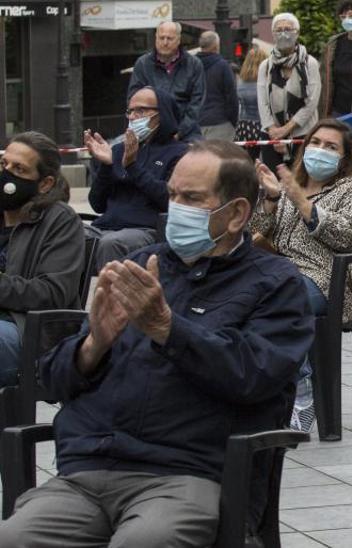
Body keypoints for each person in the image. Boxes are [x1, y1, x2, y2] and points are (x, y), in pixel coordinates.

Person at [0, 140, 314, 547]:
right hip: (89, 470)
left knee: (143, 542)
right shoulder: (142, 266)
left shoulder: (275, 283)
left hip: (186, 473)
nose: (176, 208)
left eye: (192, 198)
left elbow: (254, 375)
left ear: (236, 214)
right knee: (13, 538)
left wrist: (168, 329)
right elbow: (53, 381)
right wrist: (93, 345)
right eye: (171, 195)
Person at [252, 119, 352, 432]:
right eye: (316, 143)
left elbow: (348, 235)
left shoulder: (348, 190)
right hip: (280, 274)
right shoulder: (292, 185)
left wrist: (301, 202)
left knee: (280, 303)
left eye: (331, 147)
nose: (320, 150)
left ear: (344, 158)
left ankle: (303, 393)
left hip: (325, 278)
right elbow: (256, 236)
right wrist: (272, 199)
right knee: (245, 302)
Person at [0, 132, 85, 386]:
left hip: (31, 333)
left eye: (19, 169)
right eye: (5, 165)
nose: (7, 174)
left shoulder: (61, 220)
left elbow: (52, 292)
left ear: (45, 183)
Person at [83, 87, 189, 270]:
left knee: (111, 243)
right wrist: (107, 167)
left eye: (140, 110)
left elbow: (169, 200)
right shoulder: (117, 150)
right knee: (62, 232)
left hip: (144, 230)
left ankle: (108, 298)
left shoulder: (180, 153)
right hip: (106, 227)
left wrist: (132, 167)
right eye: (130, 111)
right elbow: (97, 204)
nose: (132, 117)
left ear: (161, 113)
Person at [258, 13, 322, 172]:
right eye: (278, 30)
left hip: (303, 132)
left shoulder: (310, 63)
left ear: (297, 33)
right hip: (271, 134)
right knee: (275, 185)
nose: (283, 33)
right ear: (273, 34)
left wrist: (286, 130)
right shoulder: (266, 66)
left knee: (303, 182)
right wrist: (273, 130)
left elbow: (311, 103)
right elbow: (262, 101)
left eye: (288, 29)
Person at [127, 21, 206, 142]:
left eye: (169, 38)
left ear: (179, 40)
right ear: (155, 38)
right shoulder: (142, 64)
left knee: (198, 156)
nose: (165, 42)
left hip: (187, 133)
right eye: (161, 38)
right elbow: (133, 101)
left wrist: (179, 132)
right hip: (150, 131)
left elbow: (197, 104)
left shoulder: (194, 64)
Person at [319, 0, 352, 118]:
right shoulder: (333, 45)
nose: (347, 20)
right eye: (343, 16)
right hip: (336, 112)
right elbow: (324, 80)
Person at [196, 31, 239, 141]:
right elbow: (231, 97)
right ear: (216, 46)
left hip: (197, 123)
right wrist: (233, 122)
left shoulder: (192, 66)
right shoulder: (223, 66)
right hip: (220, 122)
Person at [236, 46, 268, 158]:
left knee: (248, 159)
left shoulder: (240, 82)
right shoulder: (265, 82)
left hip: (244, 124)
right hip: (262, 124)